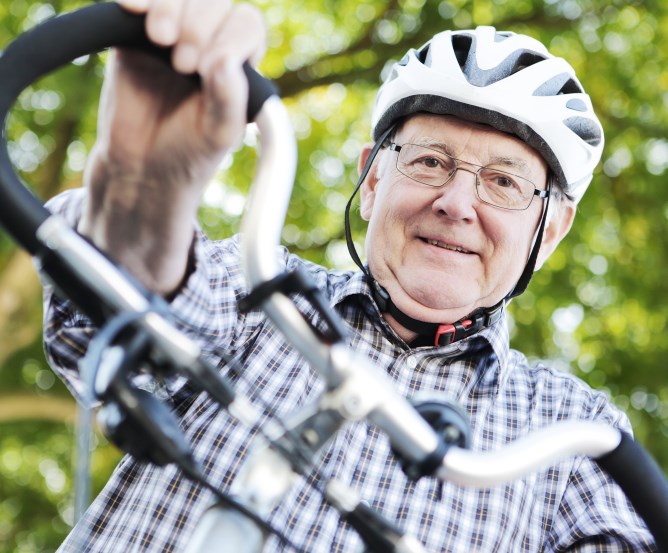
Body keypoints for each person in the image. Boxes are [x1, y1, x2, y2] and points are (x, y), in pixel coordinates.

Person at [42, 0, 656, 551]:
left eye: (503, 182)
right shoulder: (254, 290)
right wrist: (144, 185)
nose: (456, 203)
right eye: (428, 161)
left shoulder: (577, 435)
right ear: (370, 181)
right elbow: (117, 313)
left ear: (548, 231)